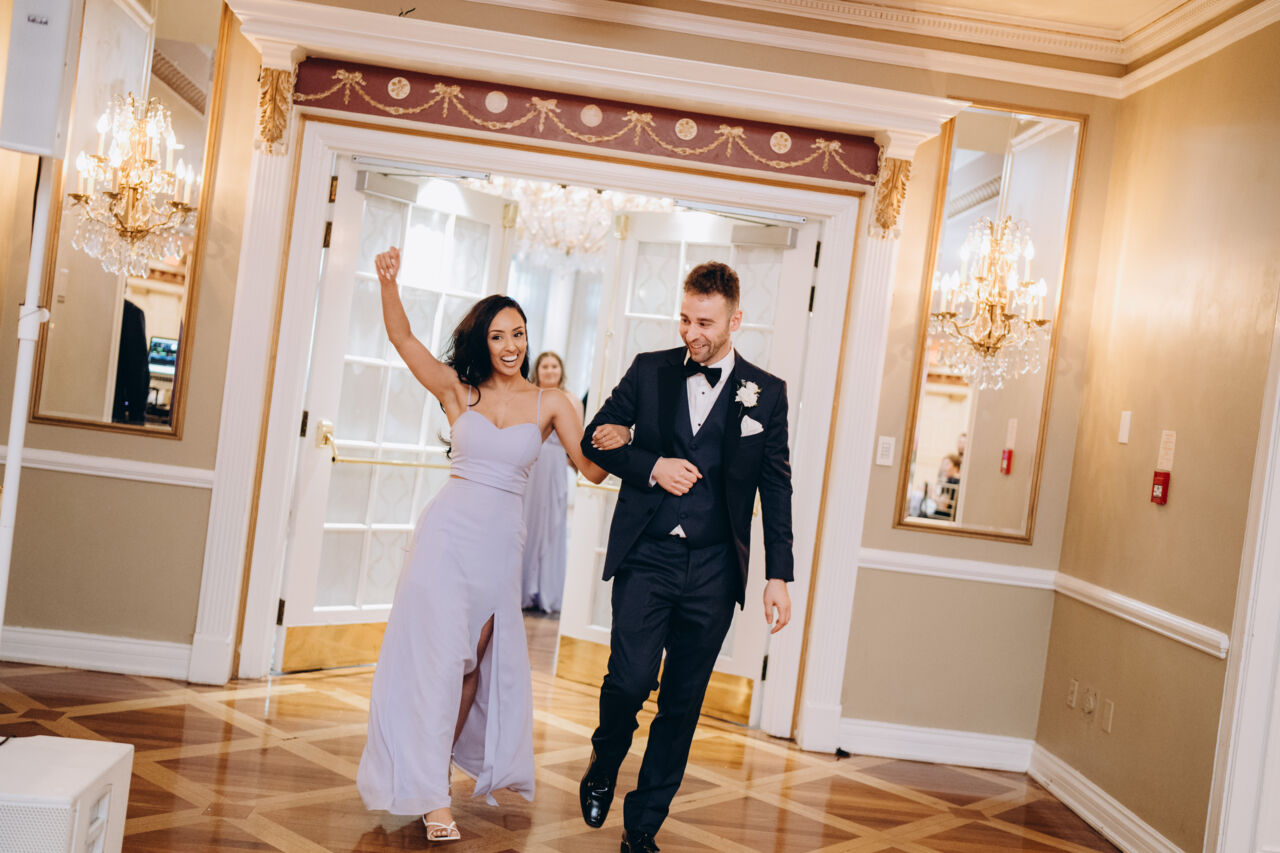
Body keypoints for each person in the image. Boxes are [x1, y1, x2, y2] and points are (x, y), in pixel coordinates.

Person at [356, 247, 608, 844]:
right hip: (445, 536)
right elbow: (403, 339)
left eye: (518, 333)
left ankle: (433, 773)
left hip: (498, 547)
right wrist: (388, 282)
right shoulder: (457, 390)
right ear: (483, 341)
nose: (510, 345)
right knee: (438, 660)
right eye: (498, 336)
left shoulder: (552, 403)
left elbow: (592, 470)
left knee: (470, 663)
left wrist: (625, 432)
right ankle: (432, 798)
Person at [576, 261, 795, 853]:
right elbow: (594, 436)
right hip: (648, 556)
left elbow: (776, 488)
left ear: (735, 321)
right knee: (630, 681)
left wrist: (778, 575)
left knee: (682, 702)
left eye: (705, 323)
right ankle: (604, 760)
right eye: (684, 319)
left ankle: (642, 826)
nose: (691, 332)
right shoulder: (649, 371)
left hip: (715, 570)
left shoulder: (766, 394)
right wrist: (651, 464)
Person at [521, 351, 580, 613]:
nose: (549, 370)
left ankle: (547, 591)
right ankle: (522, 589)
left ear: (561, 370)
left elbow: (578, 438)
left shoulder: (571, 400)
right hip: (531, 465)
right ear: (537, 370)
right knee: (527, 521)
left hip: (556, 465)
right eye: (544, 366)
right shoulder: (528, 396)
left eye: (554, 366)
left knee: (553, 522)